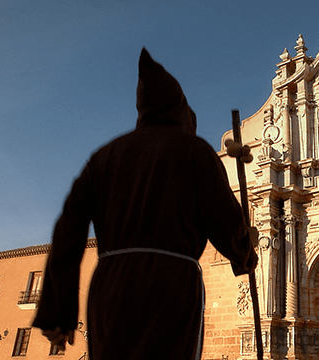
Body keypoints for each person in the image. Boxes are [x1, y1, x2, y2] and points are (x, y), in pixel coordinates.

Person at [32, 48, 258, 360]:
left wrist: (58, 312)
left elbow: (68, 228)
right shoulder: (195, 151)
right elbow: (223, 216)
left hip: (112, 285)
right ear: (180, 108)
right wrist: (244, 253)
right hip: (171, 286)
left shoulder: (104, 156)